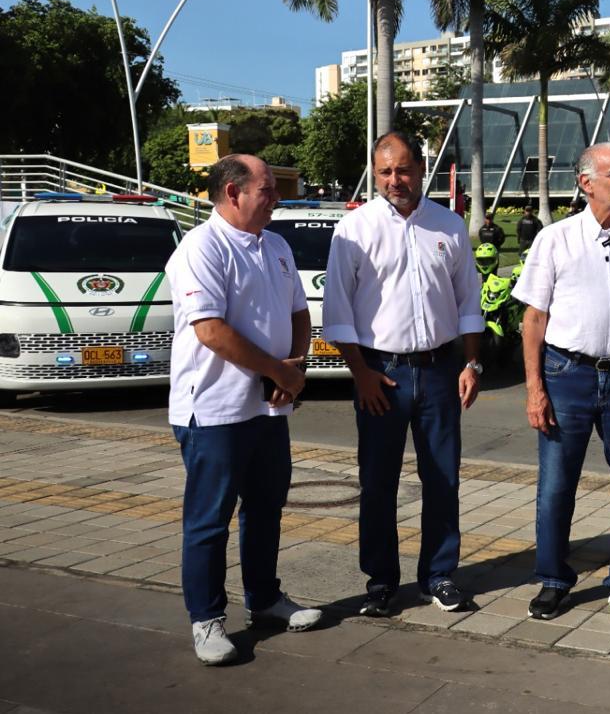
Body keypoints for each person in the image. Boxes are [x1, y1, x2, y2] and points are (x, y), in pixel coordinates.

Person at [168, 154, 322, 666]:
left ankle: (264, 599)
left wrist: (293, 366)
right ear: (232, 193)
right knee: (210, 519)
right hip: (214, 410)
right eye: (267, 189)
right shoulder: (200, 248)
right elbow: (210, 330)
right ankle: (206, 619)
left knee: (265, 509)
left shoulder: (274, 245)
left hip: (268, 410)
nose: (276, 196)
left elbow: (299, 312)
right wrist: (279, 373)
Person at [323, 131, 484, 618]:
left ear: (421, 167)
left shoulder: (449, 226)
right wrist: (361, 375)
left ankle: (439, 575)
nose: (395, 180)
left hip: (438, 371)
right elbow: (337, 311)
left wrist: (472, 363)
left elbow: (468, 302)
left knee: (443, 479)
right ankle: (381, 582)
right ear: (376, 173)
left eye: (404, 170)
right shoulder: (354, 230)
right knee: (377, 482)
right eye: (385, 172)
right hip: (380, 374)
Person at [513, 142, 610, 625]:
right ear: (586, 183)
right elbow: (534, 319)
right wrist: (535, 388)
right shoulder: (555, 239)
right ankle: (554, 580)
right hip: (567, 375)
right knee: (557, 486)